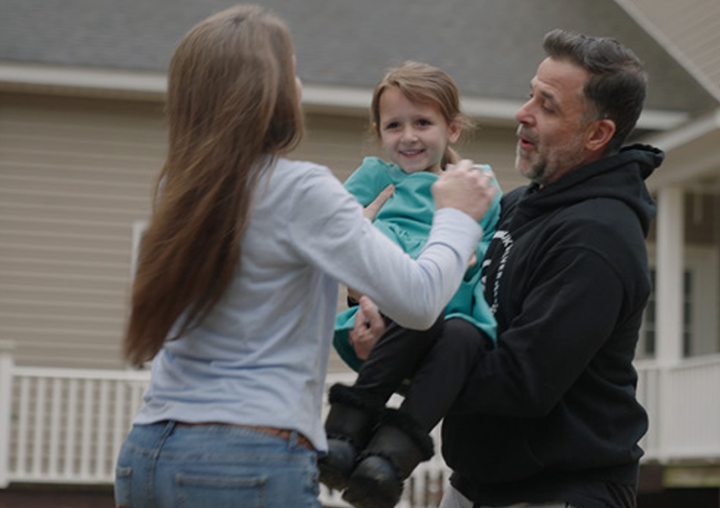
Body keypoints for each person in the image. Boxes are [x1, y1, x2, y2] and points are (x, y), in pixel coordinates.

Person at [112, 6, 497, 508]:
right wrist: (458, 216)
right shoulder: (301, 189)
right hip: (244, 458)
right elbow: (423, 302)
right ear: (267, 90)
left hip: (145, 452)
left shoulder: (179, 186)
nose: (298, 82)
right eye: (290, 68)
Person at [352, 30, 663, 508]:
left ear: (597, 134)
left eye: (548, 105)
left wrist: (403, 359)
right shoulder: (519, 205)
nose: (523, 113)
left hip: (559, 491)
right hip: (476, 484)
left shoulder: (598, 238)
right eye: (529, 94)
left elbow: (520, 384)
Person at [319, 62, 501, 508]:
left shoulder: (476, 184)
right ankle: (344, 433)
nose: (408, 136)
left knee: (464, 336)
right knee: (415, 306)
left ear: (453, 129)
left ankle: (389, 460)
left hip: (453, 312)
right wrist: (357, 278)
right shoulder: (377, 179)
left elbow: (486, 251)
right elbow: (330, 234)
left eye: (423, 122)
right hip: (385, 310)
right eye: (394, 125)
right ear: (378, 131)